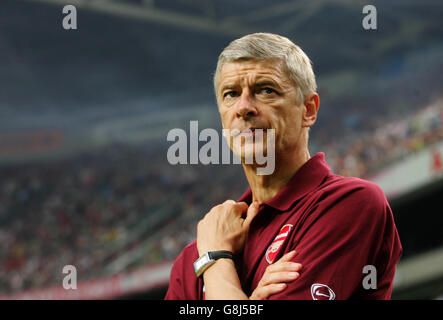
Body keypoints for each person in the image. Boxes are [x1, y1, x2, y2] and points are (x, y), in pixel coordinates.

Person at [164, 33, 402, 300]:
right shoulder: (189, 259)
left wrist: (216, 260)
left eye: (266, 90)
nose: (243, 107)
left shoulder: (350, 205)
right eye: (231, 94)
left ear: (309, 110)